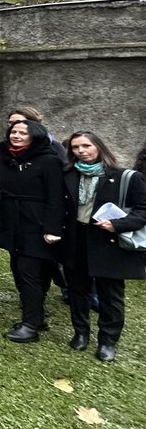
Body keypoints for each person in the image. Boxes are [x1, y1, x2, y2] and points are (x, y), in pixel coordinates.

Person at [62, 131, 146, 362]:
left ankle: (108, 340)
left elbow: (142, 209)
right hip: (76, 239)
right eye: (76, 147)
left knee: (110, 294)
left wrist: (119, 224)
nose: (81, 151)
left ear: (99, 147)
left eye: (86, 146)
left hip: (106, 241)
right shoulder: (68, 174)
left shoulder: (124, 177)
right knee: (77, 290)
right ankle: (81, 332)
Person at [0, 119, 66, 343]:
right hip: (12, 221)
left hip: (37, 223)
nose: (17, 135)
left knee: (29, 272)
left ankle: (30, 325)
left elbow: (56, 197)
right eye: (14, 131)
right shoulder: (7, 158)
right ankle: (37, 316)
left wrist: (52, 228)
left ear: (35, 136)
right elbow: (0, 189)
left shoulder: (49, 160)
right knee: (18, 267)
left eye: (23, 132)